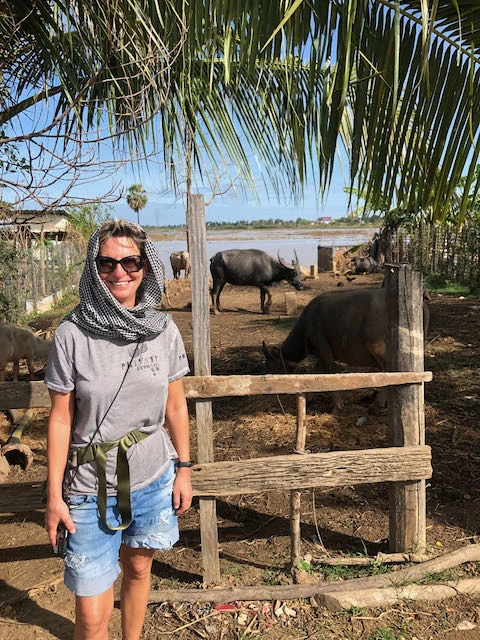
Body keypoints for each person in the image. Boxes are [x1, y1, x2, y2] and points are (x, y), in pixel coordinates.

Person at [44, 219, 193, 640]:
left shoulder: (162, 330)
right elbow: (59, 419)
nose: (119, 273)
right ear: (94, 268)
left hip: (152, 477)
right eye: (107, 264)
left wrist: (184, 468)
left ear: (146, 267)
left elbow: (175, 404)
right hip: (89, 487)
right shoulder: (71, 335)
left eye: (131, 261)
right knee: (91, 617)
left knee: (140, 568)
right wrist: (55, 496)